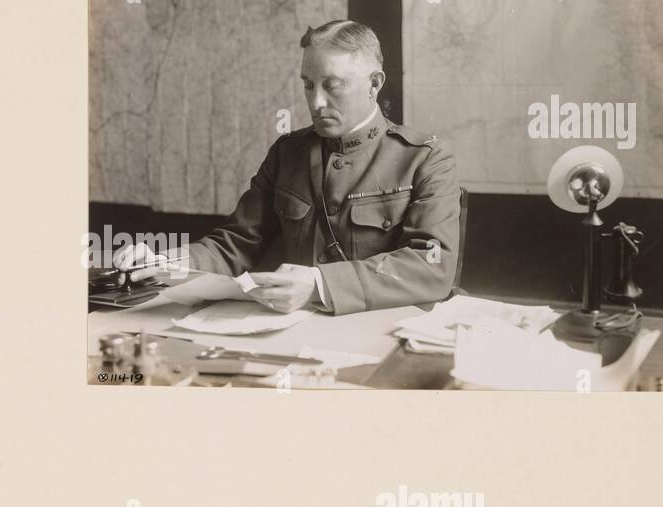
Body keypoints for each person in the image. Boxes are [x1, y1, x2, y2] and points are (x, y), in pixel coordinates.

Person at [113, 19, 462, 315]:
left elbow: (431, 265)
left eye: (332, 86)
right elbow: (235, 244)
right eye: (308, 85)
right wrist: (166, 261)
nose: (316, 102)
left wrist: (318, 284)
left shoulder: (426, 158)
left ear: (374, 84)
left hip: (383, 328)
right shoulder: (289, 153)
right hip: (297, 328)